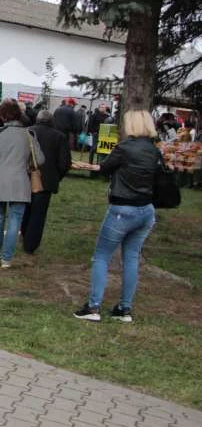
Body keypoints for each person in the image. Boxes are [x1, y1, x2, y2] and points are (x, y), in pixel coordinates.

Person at [74, 111, 162, 323]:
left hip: (123, 209)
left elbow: (105, 168)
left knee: (101, 256)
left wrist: (90, 166)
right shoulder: (154, 151)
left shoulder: (125, 148)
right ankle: (124, 308)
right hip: (146, 210)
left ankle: (93, 306)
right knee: (131, 258)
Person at [0, 99, 44, 268]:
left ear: (3, 116)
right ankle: (7, 258)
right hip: (21, 182)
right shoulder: (29, 134)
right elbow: (39, 159)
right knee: (15, 220)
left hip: (1, 179)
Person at [20, 110, 71, 254]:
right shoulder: (59, 137)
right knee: (38, 214)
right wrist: (57, 176)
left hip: (25, 177)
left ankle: (24, 235)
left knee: (25, 209)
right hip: (46, 181)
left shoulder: (27, 132)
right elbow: (65, 162)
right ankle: (30, 244)